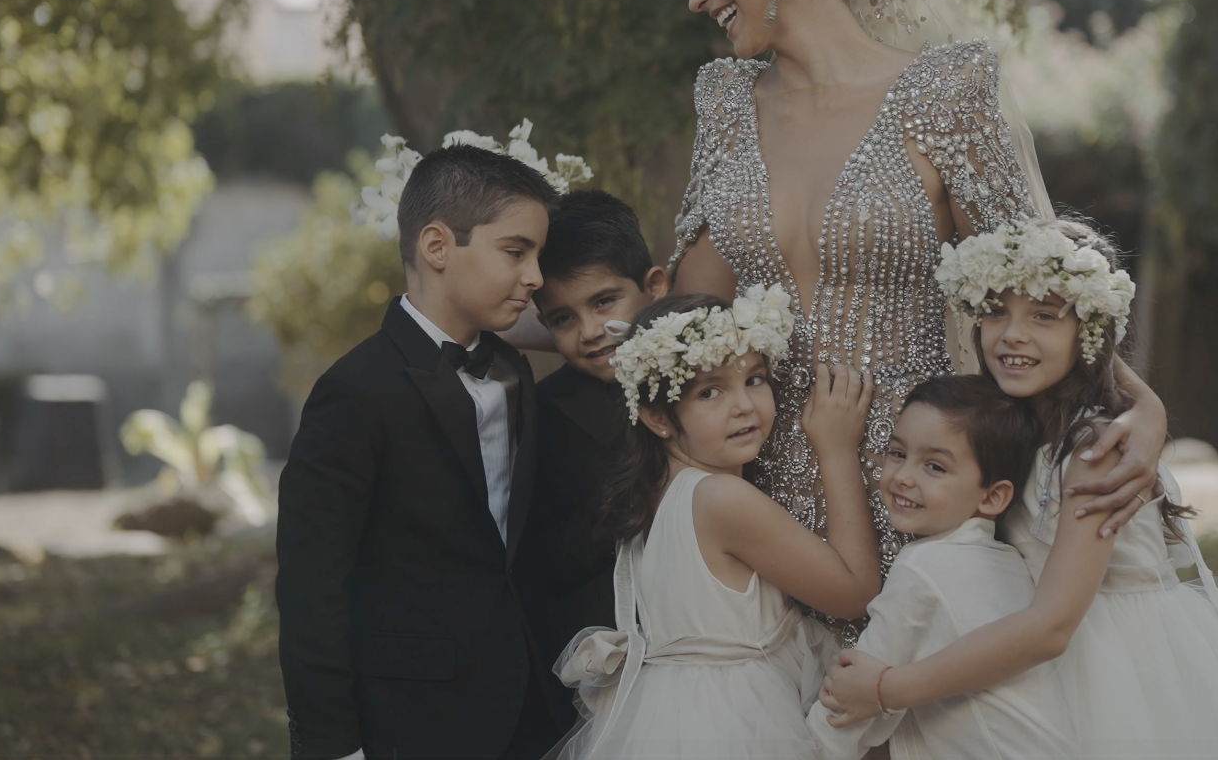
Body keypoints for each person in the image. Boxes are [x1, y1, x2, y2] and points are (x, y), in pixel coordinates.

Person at [668, 0, 1171, 614]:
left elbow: (1039, 293)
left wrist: (1145, 408)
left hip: (920, 484)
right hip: (761, 498)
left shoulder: (941, 94)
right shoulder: (727, 105)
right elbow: (683, 322)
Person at [819, 217, 1218, 759]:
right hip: (1048, 657)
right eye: (995, 311)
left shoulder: (1093, 453)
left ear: (1090, 330)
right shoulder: (1014, 427)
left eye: (1044, 315)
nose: (1013, 334)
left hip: (1119, 665)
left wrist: (888, 689)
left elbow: (1052, 627)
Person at [276, 145, 566, 760]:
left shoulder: (513, 370)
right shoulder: (355, 392)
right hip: (411, 719)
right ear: (437, 246)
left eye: (538, 256)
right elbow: (311, 588)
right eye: (516, 252)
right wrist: (333, 747)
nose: (536, 277)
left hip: (531, 706)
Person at [553, 289, 879, 760]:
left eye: (754, 379)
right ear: (657, 418)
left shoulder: (658, 489)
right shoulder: (721, 498)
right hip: (733, 718)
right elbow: (854, 593)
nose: (743, 405)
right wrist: (837, 448)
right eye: (709, 391)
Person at [805, 375, 1078, 760]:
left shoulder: (923, 566)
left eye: (934, 466)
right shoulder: (1009, 561)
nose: (903, 477)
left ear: (993, 497)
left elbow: (846, 715)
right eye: (897, 453)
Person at [523, 189, 671, 666]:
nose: (588, 331)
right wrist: (636, 499)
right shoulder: (545, 411)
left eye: (604, 302)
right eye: (563, 318)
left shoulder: (708, 375)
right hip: (619, 646)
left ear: (654, 287)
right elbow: (547, 555)